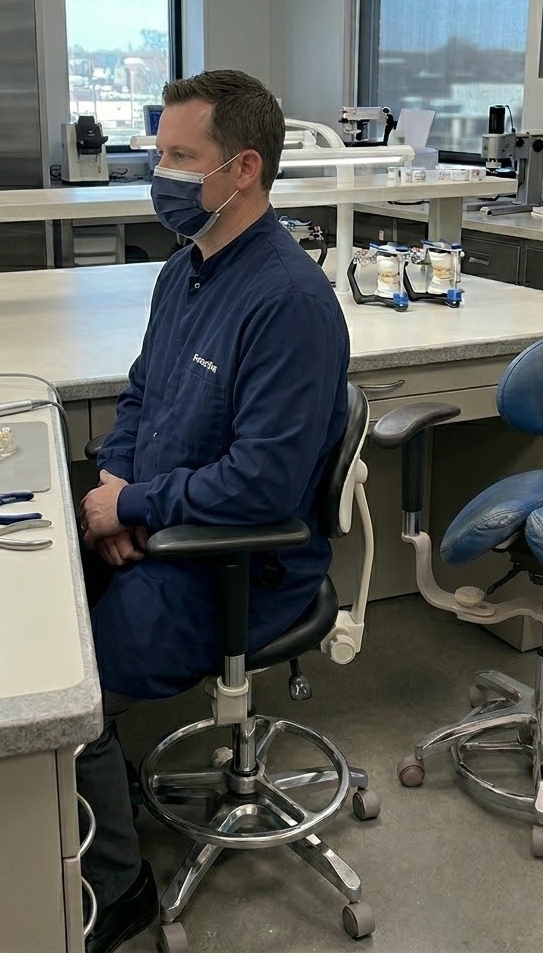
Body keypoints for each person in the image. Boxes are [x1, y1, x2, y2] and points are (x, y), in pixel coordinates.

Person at [76, 68, 349, 953]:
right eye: (160, 152)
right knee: (40, 596)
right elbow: (141, 399)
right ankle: (89, 789)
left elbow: (263, 488)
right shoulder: (184, 272)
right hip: (161, 529)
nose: (160, 172)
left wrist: (141, 509)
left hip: (238, 566)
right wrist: (112, 495)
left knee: (62, 696)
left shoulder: (289, 303)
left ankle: (118, 893)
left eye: (177, 157)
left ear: (242, 170)